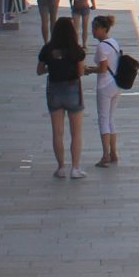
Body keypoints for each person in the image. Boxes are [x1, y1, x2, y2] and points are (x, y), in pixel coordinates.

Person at [38, 16, 88, 179]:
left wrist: (52, 68)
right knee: (76, 132)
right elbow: (80, 72)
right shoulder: (76, 50)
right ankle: (75, 168)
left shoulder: (47, 49)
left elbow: (39, 70)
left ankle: (60, 167)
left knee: (57, 132)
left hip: (54, 89)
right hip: (73, 89)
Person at [89, 13, 124, 166]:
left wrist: (88, 70)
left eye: (96, 28)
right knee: (110, 119)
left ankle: (105, 156)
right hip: (117, 84)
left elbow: (102, 69)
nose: (93, 31)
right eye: (93, 28)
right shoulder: (114, 42)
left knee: (103, 119)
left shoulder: (102, 46)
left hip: (104, 86)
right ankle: (114, 153)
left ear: (104, 29)